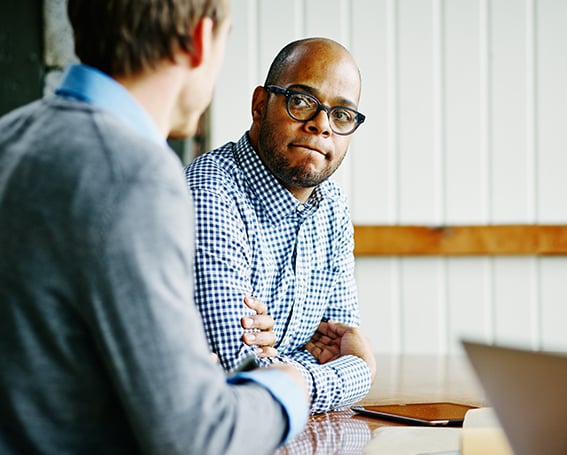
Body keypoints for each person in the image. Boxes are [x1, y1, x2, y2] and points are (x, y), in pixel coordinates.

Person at [0, 1, 309, 453]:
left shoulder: (10, 135)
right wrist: (288, 389)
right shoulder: (134, 173)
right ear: (201, 39)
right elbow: (197, 438)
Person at [185, 37, 376, 414]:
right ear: (260, 105)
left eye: (341, 115)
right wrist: (360, 372)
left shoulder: (332, 205)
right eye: (302, 101)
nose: (321, 125)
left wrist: (286, 369)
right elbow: (242, 376)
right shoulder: (210, 193)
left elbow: (336, 345)